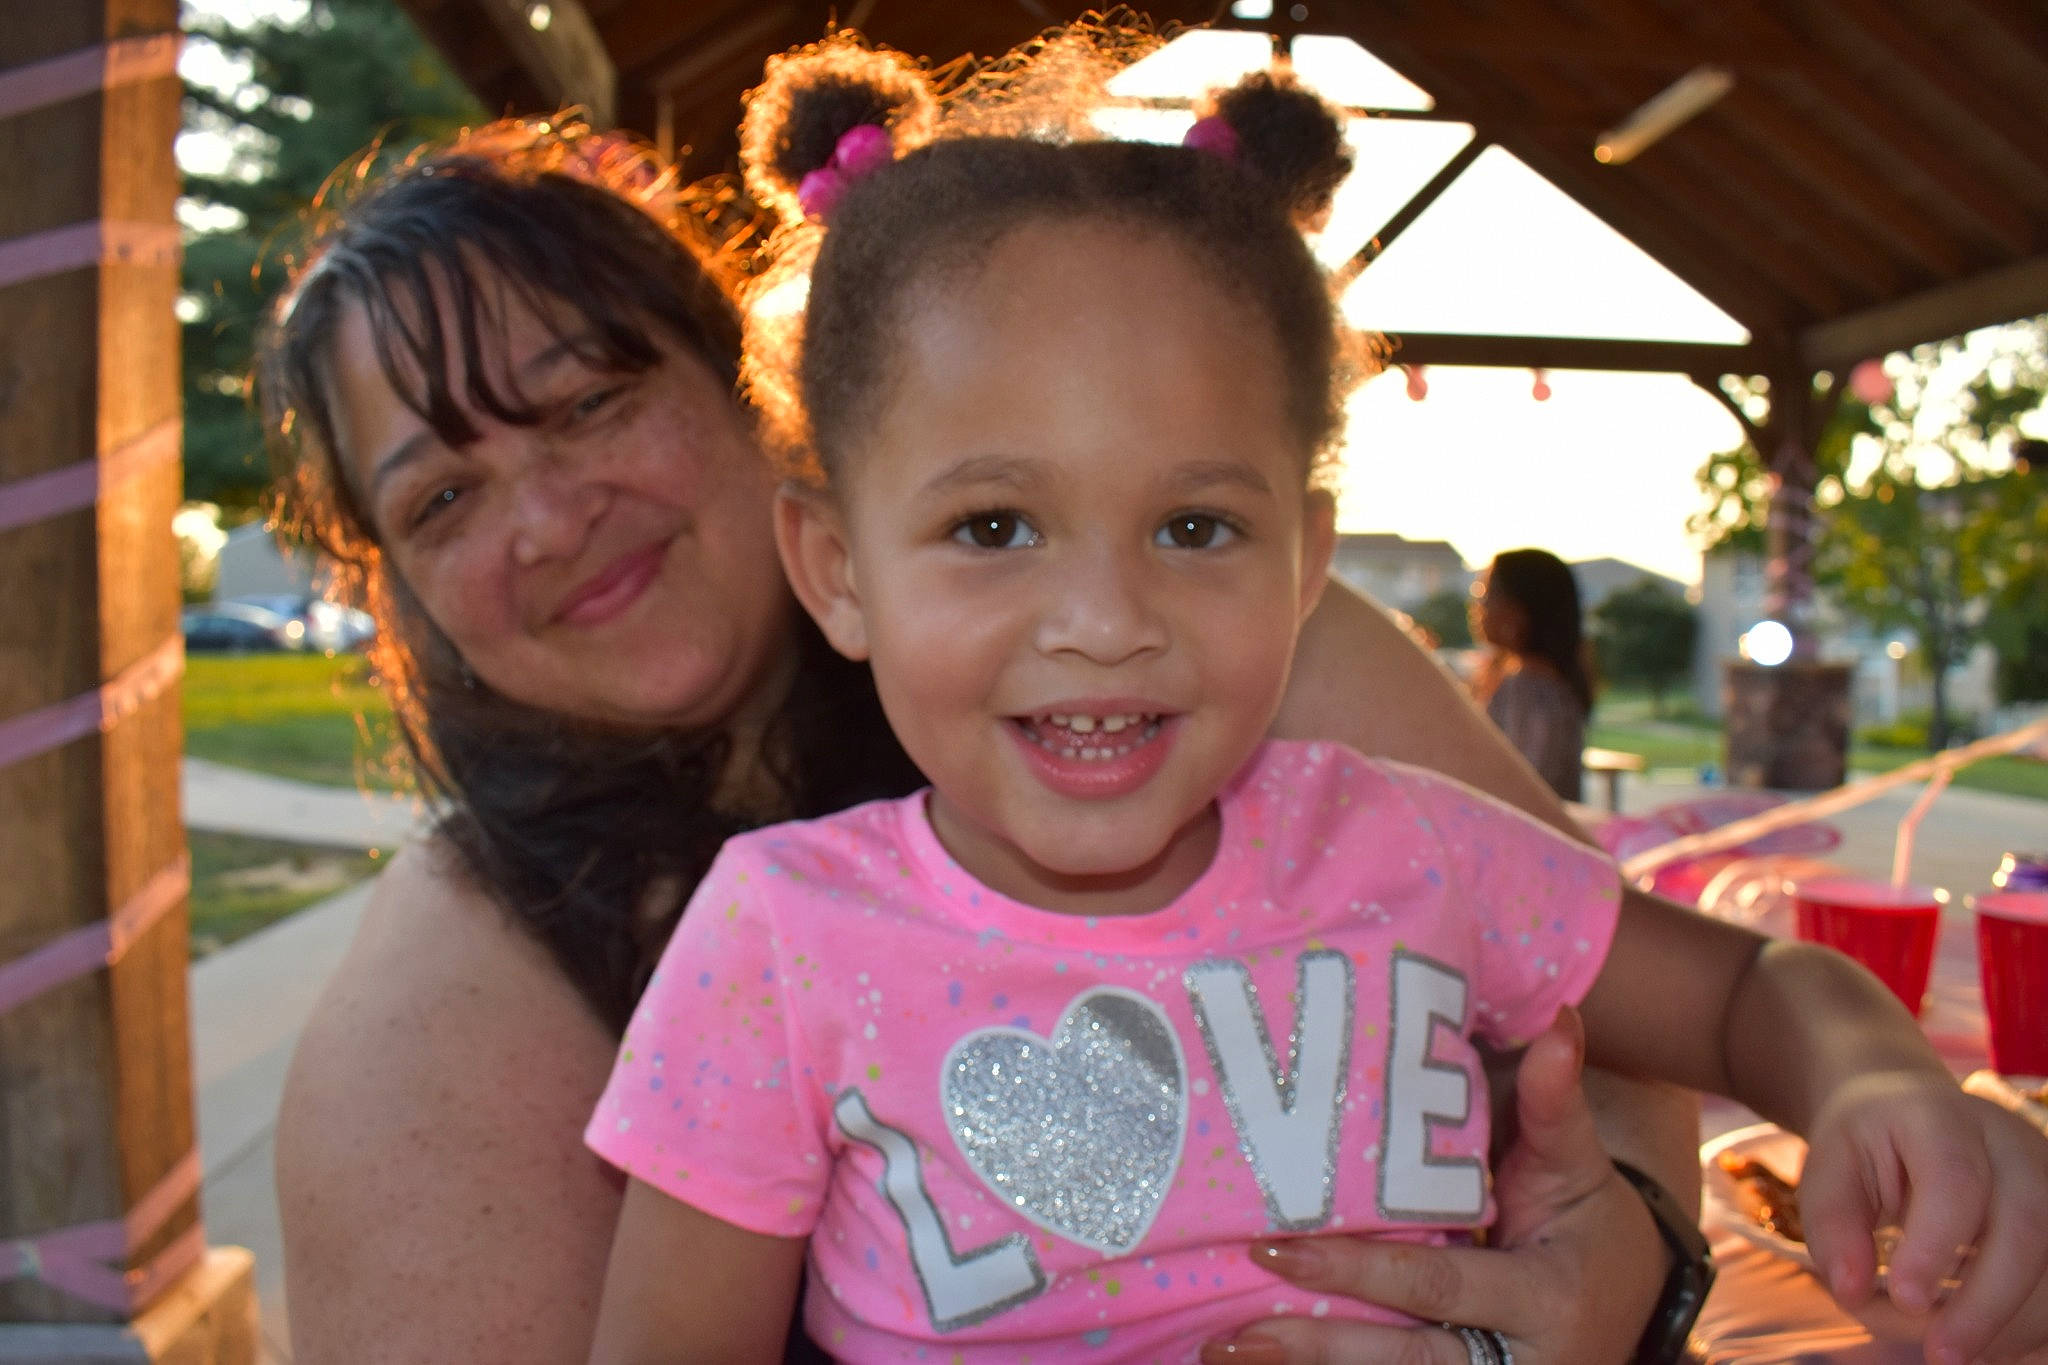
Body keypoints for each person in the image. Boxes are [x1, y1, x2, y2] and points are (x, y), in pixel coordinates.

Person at [247, 37, 2033, 1365]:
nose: (1097, 617)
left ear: (748, 398)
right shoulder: (699, 957)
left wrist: (1656, 1242)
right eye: (443, 497)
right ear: (839, 552)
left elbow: (1665, 1018)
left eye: (582, 401)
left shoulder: (1311, 757)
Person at [1469, 548, 1592, 803]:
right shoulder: (1547, 683)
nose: (1477, 606)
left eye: (1484, 593)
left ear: (1518, 612)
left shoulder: (1532, 691)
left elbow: (1524, 794)